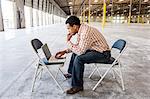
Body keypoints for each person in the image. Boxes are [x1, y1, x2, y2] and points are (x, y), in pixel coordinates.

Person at [55, 16, 111, 94]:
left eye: (68, 28)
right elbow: (78, 47)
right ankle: (71, 73)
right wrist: (65, 51)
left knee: (79, 58)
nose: (68, 31)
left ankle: (77, 86)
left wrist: (68, 41)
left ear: (74, 26)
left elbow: (80, 51)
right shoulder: (81, 30)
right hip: (95, 51)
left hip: (103, 54)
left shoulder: (85, 32)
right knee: (75, 53)